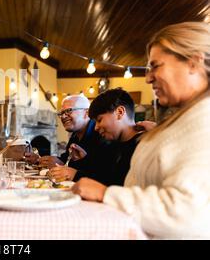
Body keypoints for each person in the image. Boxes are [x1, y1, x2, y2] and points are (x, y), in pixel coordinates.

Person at [73, 22, 210, 239]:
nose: (148, 77)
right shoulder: (186, 117)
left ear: (194, 63)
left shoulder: (204, 120)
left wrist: (105, 194)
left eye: (156, 66)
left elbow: (187, 213)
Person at [51, 88, 143, 186]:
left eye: (99, 120)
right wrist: (84, 159)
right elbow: (103, 175)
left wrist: (76, 174)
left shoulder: (142, 146)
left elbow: (118, 185)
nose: (95, 127)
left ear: (119, 112)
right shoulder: (116, 143)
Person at [40, 95, 113, 181]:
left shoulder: (102, 133)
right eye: (61, 113)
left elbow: (103, 174)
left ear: (87, 113)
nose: (63, 117)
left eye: (68, 111)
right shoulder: (75, 135)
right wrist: (44, 159)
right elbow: (67, 158)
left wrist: (71, 170)